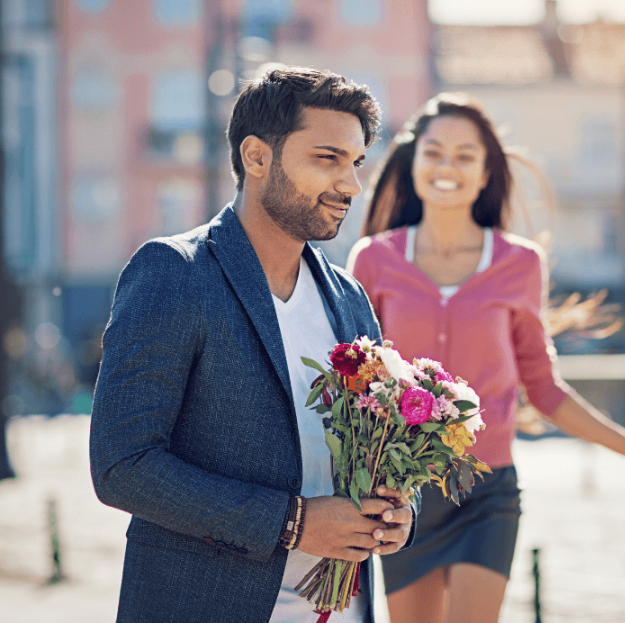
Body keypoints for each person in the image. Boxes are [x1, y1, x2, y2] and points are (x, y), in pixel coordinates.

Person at [347, 93, 625, 623]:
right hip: (402, 493)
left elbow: (545, 387)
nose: (447, 167)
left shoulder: (519, 264)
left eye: (465, 156)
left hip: (488, 492)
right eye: (434, 152)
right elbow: (358, 384)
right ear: (412, 161)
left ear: (486, 171)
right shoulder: (373, 259)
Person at [89, 67, 416, 623]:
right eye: (327, 158)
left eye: (356, 163)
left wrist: (397, 511)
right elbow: (123, 464)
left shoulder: (350, 298)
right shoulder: (175, 273)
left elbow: (373, 449)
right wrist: (293, 522)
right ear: (257, 157)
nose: (351, 185)